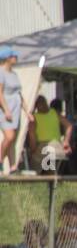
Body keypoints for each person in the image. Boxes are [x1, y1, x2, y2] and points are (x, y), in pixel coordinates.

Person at [27, 95, 70, 174]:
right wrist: (66, 141)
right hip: (58, 147)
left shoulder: (34, 118)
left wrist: (32, 150)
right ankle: (52, 178)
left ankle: (35, 181)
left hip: (44, 147)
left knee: (33, 167)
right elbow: (69, 126)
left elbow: (32, 137)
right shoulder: (54, 113)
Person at [1, 47, 24, 175]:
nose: (16, 58)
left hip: (16, 109)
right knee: (9, 137)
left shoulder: (14, 74)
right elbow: (0, 93)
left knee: (13, 139)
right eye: (13, 56)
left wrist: (27, 111)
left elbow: (19, 93)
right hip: (5, 110)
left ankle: (13, 167)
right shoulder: (1, 73)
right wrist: (6, 110)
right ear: (7, 58)